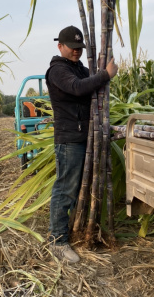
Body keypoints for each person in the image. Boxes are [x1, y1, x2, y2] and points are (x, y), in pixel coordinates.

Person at [45, 25, 118, 263]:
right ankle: (57, 241)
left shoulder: (79, 68)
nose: (76, 51)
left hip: (85, 137)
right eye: (72, 48)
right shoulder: (57, 70)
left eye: (79, 48)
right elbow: (77, 88)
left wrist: (98, 72)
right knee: (65, 189)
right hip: (69, 139)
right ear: (60, 46)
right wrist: (104, 74)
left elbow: (91, 85)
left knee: (77, 190)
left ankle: (73, 230)